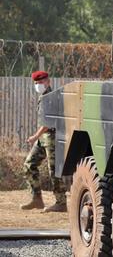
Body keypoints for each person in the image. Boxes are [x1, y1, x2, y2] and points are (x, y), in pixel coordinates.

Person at [20, 71, 67, 213]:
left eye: (40, 83)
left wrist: (35, 136)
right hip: (44, 138)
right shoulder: (43, 97)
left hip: (52, 137)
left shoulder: (51, 97)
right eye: (36, 83)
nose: (38, 85)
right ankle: (37, 199)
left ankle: (61, 203)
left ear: (48, 82)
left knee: (53, 171)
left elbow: (48, 122)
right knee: (29, 164)